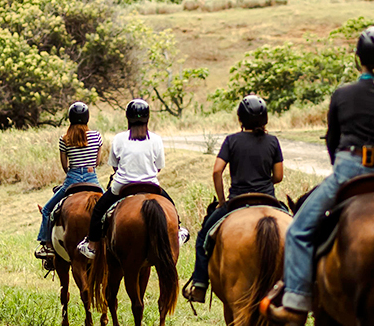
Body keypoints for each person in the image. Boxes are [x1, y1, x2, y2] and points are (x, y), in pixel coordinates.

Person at [263, 26, 374, 324]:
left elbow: (332, 141)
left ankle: (298, 301)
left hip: (349, 170)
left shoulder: (343, 95)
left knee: (299, 230)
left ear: (358, 59)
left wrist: (339, 169)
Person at [182, 95, 284, 303]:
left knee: (203, 237)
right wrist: (265, 180)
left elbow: (217, 171)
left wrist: (221, 200)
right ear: (265, 119)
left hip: (237, 201)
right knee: (298, 233)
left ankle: (200, 285)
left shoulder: (232, 141)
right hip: (268, 200)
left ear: (240, 119)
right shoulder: (273, 141)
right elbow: (279, 176)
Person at [76, 99, 186, 259]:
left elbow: (114, 165)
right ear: (148, 118)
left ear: (128, 118)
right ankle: (179, 230)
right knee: (170, 205)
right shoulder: (156, 139)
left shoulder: (119, 138)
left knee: (99, 210)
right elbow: (159, 167)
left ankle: (92, 244)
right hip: (151, 185)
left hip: (122, 186)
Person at [35, 102, 104, 263]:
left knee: (46, 210)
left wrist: (74, 172)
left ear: (70, 119)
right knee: (110, 209)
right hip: (92, 178)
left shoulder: (64, 139)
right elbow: (97, 162)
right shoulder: (96, 136)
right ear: (87, 118)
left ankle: (46, 246)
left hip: (72, 180)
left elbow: (65, 166)